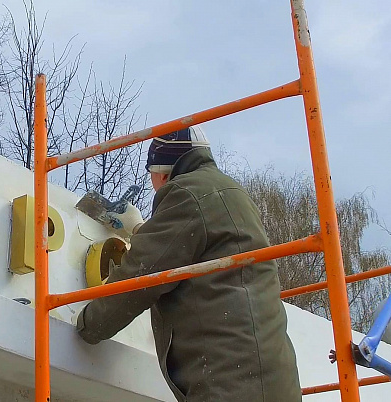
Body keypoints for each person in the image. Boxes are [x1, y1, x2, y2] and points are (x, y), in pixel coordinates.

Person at [75, 126, 302, 401]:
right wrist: (139, 229)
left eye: (152, 178)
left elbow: (141, 277)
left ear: (161, 172)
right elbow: (193, 247)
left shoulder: (185, 194)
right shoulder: (230, 193)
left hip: (229, 385)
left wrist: (87, 325)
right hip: (273, 382)